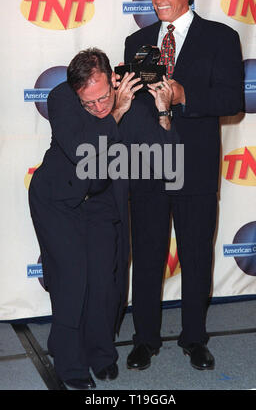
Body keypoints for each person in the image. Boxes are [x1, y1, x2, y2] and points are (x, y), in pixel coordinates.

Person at [28, 48, 178, 389]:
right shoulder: (61, 97)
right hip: (58, 200)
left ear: (113, 79)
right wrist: (115, 115)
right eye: (89, 103)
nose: (98, 107)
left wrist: (164, 111)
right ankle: (68, 361)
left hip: (99, 201)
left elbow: (169, 158)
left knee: (103, 282)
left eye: (103, 98)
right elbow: (83, 151)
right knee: (71, 279)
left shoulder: (128, 99)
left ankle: (101, 353)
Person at [124, 0, 244, 371]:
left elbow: (233, 100)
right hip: (148, 167)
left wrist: (184, 96)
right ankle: (144, 339)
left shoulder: (222, 38)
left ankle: (194, 338)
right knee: (148, 256)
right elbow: (132, 113)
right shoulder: (134, 44)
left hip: (194, 168)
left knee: (195, 256)